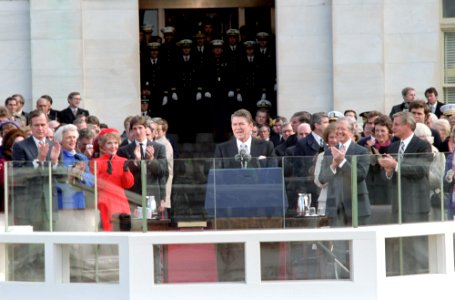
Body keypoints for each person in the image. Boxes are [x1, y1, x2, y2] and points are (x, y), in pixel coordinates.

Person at [378, 111, 433, 275]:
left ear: (407, 126)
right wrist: (388, 170)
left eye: (396, 125)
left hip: (416, 203)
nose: (392, 128)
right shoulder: (394, 146)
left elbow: (421, 169)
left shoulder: (422, 145)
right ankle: (402, 274)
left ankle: (420, 275)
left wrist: (395, 166)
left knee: (416, 244)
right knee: (400, 244)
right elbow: (389, 175)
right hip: (398, 202)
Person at [318, 117, 371, 278]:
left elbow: (360, 176)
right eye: (337, 129)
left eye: (343, 129)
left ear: (352, 131)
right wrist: (334, 165)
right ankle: (341, 278)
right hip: (336, 207)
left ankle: (362, 277)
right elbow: (322, 178)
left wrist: (342, 162)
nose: (339, 132)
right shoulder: (329, 152)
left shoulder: (361, 151)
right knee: (339, 248)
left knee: (360, 247)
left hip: (357, 207)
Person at [12, 110, 61, 230]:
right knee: (33, 245)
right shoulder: (21, 146)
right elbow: (18, 173)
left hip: (50, 202)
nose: (40, 128)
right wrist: (39, 160)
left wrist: (54, 162)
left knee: (51, 240)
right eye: (36, 125)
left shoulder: (54, 146)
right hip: (29, 202)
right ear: (30, 126)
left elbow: (60, 176)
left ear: (47, 125)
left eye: (43, 125)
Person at [117, 115, 168, 211]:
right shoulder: (123, 150)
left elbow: (162, 172)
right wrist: (136, 160)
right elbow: (123, 173)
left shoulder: (159, 148)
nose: (137, 131)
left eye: (140, 128)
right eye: (134, 129)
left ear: (146, 129)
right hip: (132, 196)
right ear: (131, 131)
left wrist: (151, 160)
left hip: (152, 195)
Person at [92, 128, 134, 231]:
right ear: (103, 146)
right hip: (105, 201)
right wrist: (107, 174)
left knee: (124, 231)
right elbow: (95, 184)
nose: (113, 146)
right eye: (109, 143)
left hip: (120, 200)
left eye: (115, 143)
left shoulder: (123, 160)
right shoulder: (96, 162)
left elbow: (128, 184)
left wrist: (126, 171)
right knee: (108, 231)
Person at [53, 124, 94, 210]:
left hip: (79, 201)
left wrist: (80, 175)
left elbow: (91, 181)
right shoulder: (57, 157)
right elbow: (54, 181)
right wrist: (70, 176)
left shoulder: (81, 157)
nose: (72, 140)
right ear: (60, 140)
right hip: (62, 201)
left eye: (74, 137)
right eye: (68, 138)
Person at [364, 115, 393, 206]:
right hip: (371, 188)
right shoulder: (367, 146)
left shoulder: (394, 146)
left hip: (389, 189)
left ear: (389, 132)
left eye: (382, 131)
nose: (379, 133)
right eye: (377, 130)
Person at [150, 118, 173, 217]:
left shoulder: (164, 145)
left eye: (158, 130)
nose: (156, 132)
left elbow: (163, 167)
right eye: (155, 130)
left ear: (164, 131)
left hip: (163, 180)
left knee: (162, 210)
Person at [314, 123, 337, 215]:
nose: (334, 140)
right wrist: (332, 169)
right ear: (327, 139)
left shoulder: (348, 154)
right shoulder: (321, 156)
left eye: (336, 137)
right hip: (325, 199)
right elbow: (318, 181)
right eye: (331, 137)